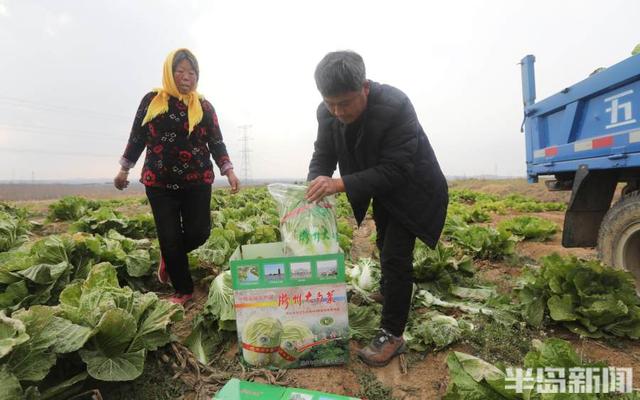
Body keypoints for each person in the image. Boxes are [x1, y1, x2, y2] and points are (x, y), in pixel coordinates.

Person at [306, 50, 448, 366]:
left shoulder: (396, 105)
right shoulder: (327, 112)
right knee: (384, 244)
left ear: (365, 87)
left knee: (396, 255)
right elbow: (323, 153)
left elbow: (397, 169)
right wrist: (317, 180)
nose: (337, 111)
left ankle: (392, 333)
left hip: (414, 188)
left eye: (344, 103)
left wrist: (338, 185)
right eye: (330, 102)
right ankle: (390, 292)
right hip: (381, 189)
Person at [114, 48, 240, 305]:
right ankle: (183, 290)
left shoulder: (203, 106)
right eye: (180, 71)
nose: (187, 76)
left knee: (199, 233)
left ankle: (170, 256)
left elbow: (216, 142)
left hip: (198, 181)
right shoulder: (152, 101)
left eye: (192, 72)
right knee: (169, 236)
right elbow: (137, 137)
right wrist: (124, 169)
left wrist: (228, 169)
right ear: (169, 74)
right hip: (160, 183)